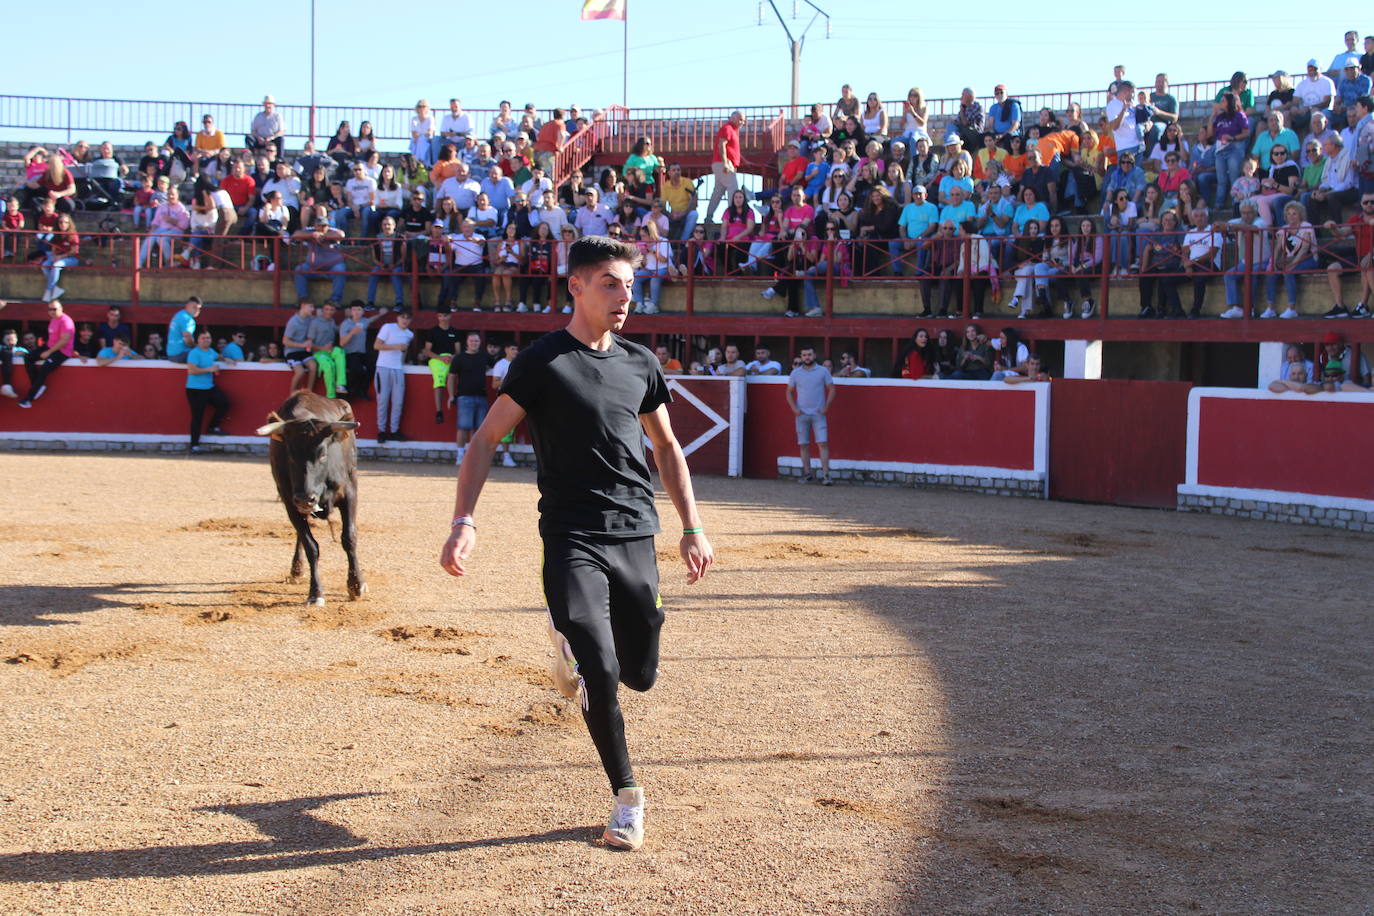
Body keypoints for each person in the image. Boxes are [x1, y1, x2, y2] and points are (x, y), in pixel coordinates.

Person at [439, 235, 713, 853]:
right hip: (570, 537)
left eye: (631, 287)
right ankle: (627, 796)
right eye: (611, 284)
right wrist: (464, 520)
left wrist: (692, 527)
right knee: (602, 669)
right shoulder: (541, 362)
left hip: (635, 533)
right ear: (577, 287)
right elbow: (484, 441)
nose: (624, 298)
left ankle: (577, 653)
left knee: (640, 673)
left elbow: (667, 448)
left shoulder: (641, 363)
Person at [786, 346, 835, 485]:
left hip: (818, 413)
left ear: (814, 355)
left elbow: (832, 389)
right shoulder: (796, 373)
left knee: (822, 443)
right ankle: (808, 473)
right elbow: (789, 392)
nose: (807, 357)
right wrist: (794, 408)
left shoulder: (823, 371)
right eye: (804, 355)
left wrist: (826, 407)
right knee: (804, 445)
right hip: (802, 414)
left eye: (809, 354)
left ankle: (826, 475)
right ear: (801, 357)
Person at [1322, 190, 1374, 317]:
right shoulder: (1356, 218)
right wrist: (1333, 227)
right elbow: (1341, 233)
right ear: (1361, 204)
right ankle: (1340, 307)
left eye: (1372, 202)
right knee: (1332, 269)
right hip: (1360, 257)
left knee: (1366, 266)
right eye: (1366, 202)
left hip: (1370, 257)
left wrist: (1370, 254)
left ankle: (1363, 305)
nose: (1369, 205)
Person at [17, 298, 75, 408]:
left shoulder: (66, 321)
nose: (52, 311)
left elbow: (64, 341)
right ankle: (37, 386)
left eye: (54, 309)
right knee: (28, 358)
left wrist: (48, 352)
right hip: (50, 346)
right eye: (50, 309)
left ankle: (28, 399)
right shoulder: (54, 319)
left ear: (61, 309)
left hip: (62, 351)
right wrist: (46, 349)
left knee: (44, 369)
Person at [185, 329, 231, 453]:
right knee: (197, 417)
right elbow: (191, 370)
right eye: (203, 338)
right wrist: (209, 369)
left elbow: (218, 356)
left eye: (208, 338)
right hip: (195, 389)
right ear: (198, 340)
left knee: (224, 403)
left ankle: (212, 426)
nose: (206, 340)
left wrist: (225, 359)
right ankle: (194, 445)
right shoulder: (194, 353)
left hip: (208, 387)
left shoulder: (211, 351)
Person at [373, 308, 413, 444]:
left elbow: (404, 353)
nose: (405, 320)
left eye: (408, 318)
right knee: (383, 400)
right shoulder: (388, 327)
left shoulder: (409, 334)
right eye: (403, 317)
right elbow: (376, 345)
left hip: (397, 368)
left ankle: (394, 431)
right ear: (398, 318)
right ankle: (382, 431)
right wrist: (396, 347)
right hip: (383, 366)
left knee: (398, 402)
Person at [451, 330, 491, 463]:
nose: (474, 343)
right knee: (463, 426)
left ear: (480, 343)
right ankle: (460, 454)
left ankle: (472, 455)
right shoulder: (459, 358)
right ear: (467, 342)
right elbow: (451, 377)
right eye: (472, 341)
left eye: (477, 341)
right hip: (464, 396)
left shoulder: (484, 357)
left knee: (478, 429)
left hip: (481, 396)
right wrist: (451, 395)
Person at [292, 220, 347, 304]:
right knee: (299, 269)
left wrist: (323, 235)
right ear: (315, 226)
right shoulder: (310, 231)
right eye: (319, 225)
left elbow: (341, 235)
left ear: (328, 226)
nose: (321, 228)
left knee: (340, 270)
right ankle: (303, 299)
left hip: (332, 267)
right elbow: (295, 234)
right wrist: (312, 235)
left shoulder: (332, 231)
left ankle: (335, 300)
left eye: (324, 226)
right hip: (312, 268)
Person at [422, 309, 462, 422]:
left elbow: (458, 351)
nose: (443, 318)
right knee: (439, 382)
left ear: (450, 316)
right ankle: (439, 411)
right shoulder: (433, 331)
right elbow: (427, 351)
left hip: (451, 358)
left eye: (445, 315)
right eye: (440, 316)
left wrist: (452, 357)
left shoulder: (455, 331)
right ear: (437, 317)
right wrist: (441, 358)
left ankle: (452, 397)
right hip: (437, 359)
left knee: (455, 373)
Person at [705, 111, 744, 222]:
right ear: (733, 118)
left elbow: (730, 149)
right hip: (723, 163)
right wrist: (725, 162)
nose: (742, 122)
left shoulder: (732, 130)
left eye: (743, 120)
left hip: (721, 163)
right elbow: (721, 144)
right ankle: (733, 217)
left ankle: (709, 216)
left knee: (718, 191)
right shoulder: (728, 128)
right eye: (740, 119)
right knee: (733, 189)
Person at [309, 301, 348, 397]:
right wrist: (323, 348)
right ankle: (331, 396)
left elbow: (338, 329)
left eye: (331, 310)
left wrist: (347, 318)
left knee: (340, 351)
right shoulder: (315, 323)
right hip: (318, 352)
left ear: (334, 311)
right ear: (322, 310)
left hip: (330, 350)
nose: (329, 312)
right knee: (329, 366)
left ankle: (340, 384)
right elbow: (309, 344)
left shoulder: (332, 321)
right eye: (326, 309)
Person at [284, 298, 320, 393]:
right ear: (303, 306)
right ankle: (291, 396)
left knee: (313, 366)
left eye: (313, 307)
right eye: (310, 307)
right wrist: (301, 345)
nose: (313, 309)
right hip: (291, 352)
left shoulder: (310, 319)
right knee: (300, 372)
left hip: (304, 351)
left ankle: (309, 392)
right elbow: (285, 341)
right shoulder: (293, 322)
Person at [166, 296, 203, 364]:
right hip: (181, 354)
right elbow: (187, 339)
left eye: (199, 308)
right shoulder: (188, 319)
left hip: (171, 354)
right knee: (206, 353)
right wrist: (197, 346)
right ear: (187, 305)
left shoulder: (179, 314)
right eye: (194, 307)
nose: (197, 310)